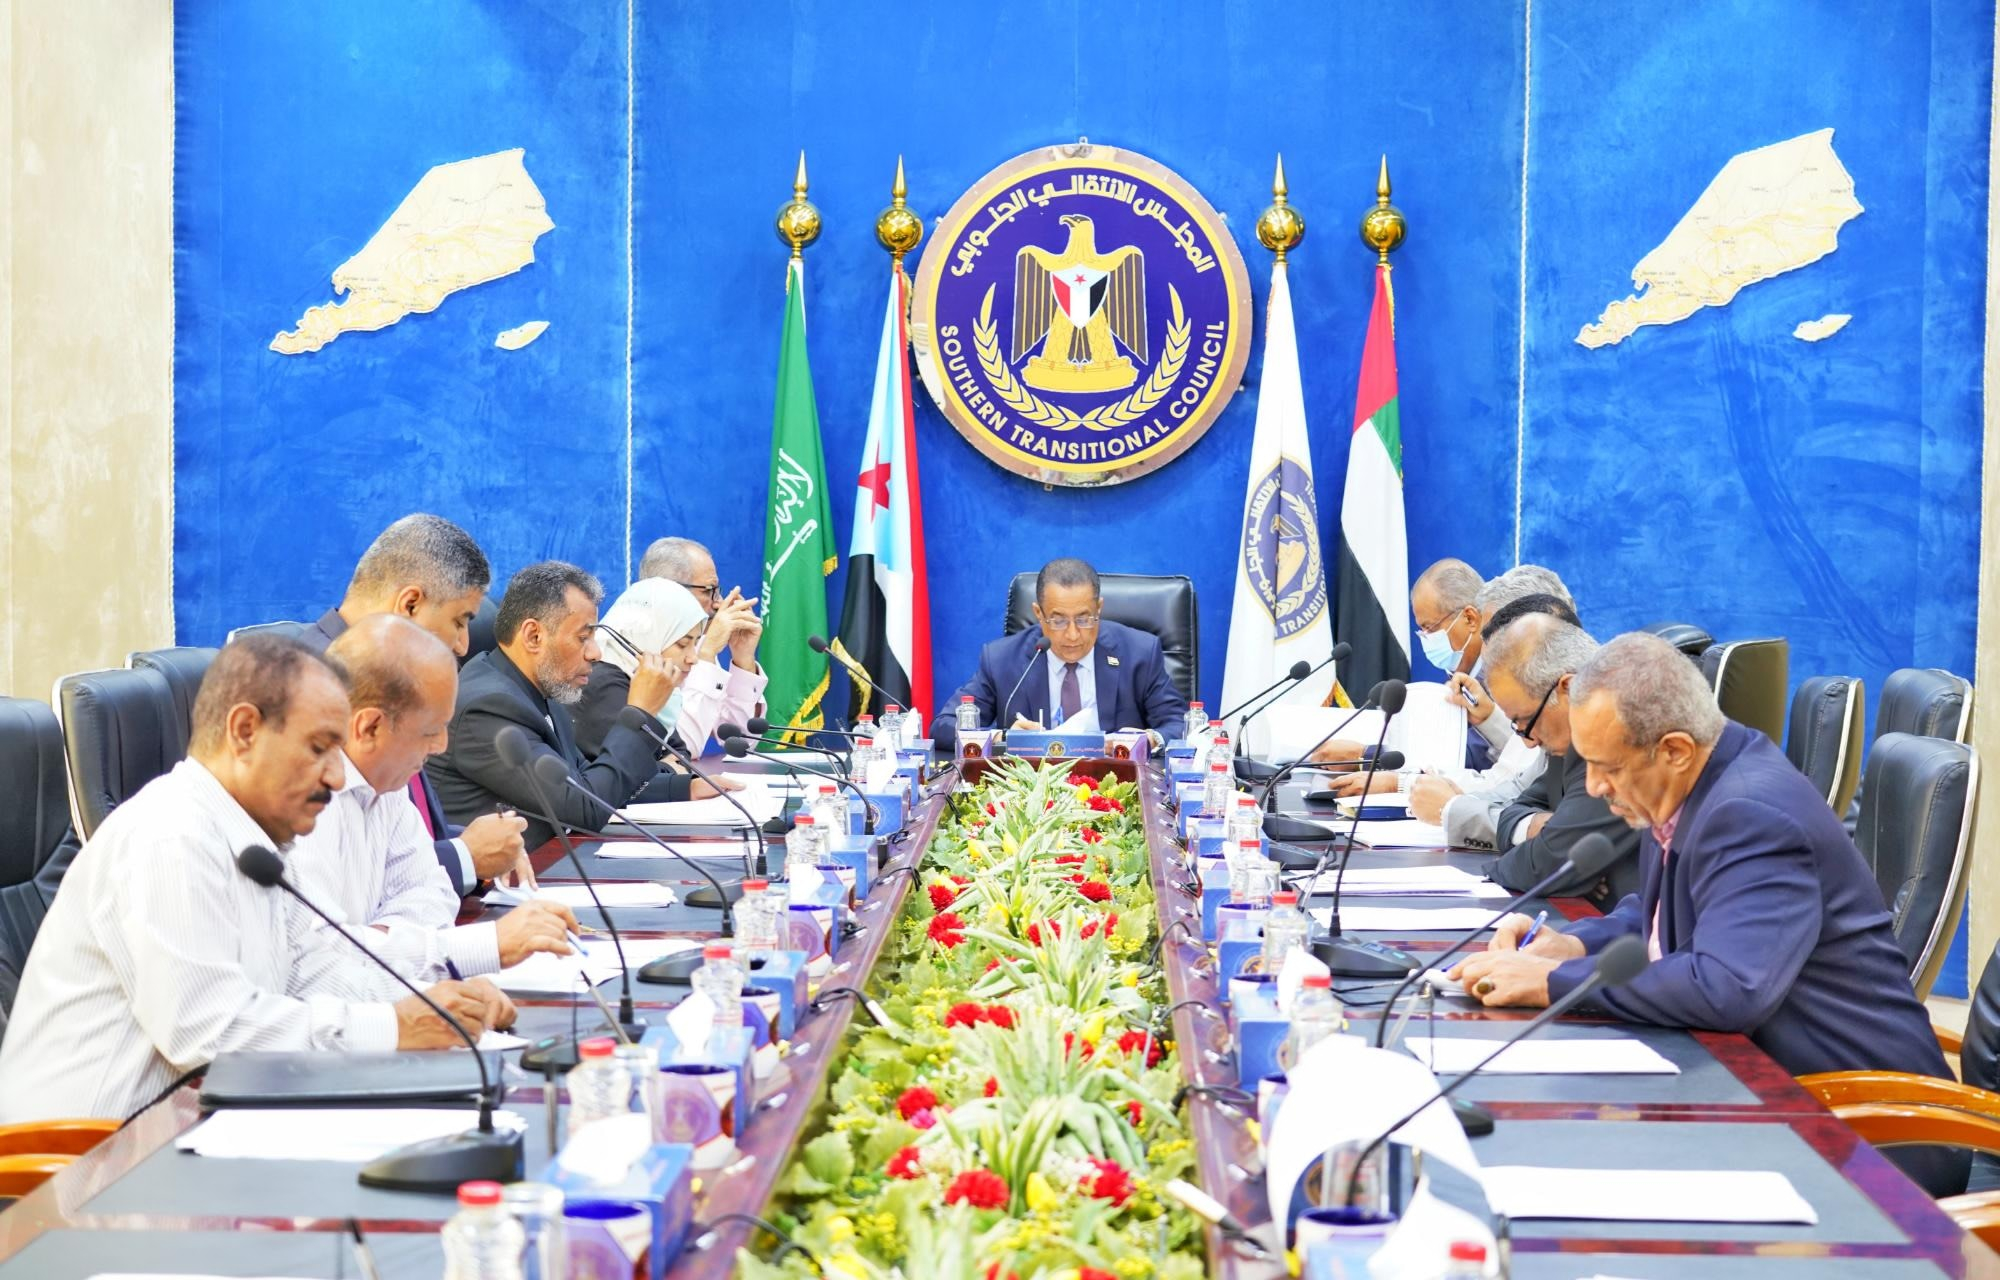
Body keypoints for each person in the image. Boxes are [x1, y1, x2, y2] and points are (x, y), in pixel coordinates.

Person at [1452, 632, 1962, 1190]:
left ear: (1674, 749)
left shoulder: (1752, 813)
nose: (1594, 787)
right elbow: (1659, 914)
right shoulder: (1690, 782)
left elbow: (1726, 986)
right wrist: (1572, 945)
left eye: (1607, 767)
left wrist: (1552, 982)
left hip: (1869, 1134)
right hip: (1773, 1091)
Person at [0, 636, 515, 1123]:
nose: (337, 777)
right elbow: (209, 1032)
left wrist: (435, 1001)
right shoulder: (170, 835)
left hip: (180, 1133)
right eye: (319, 748)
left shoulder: (258, 844)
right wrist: (394, 1027)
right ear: (245, 731)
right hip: (77, 1162)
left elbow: (317, 969)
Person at [289, 616, 581, 982]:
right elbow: (327, 963)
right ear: (370, 727)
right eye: (431, 730)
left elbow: (433, 891)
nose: (441, 746)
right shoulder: (301, 802)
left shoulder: (388, 782)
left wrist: (383, 940)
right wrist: (484, 945)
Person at [278, 513, 528, 897]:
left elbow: (396, 831)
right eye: (460, 621)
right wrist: (465, 856)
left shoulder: (392, 677)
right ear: (410, 604)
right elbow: (343, 876)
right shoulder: (312, 692)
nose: (464, 645)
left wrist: (481, 843)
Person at [425, 561, 681, 851]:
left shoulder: (539, 689)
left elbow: (588, 780)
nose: (596, 653)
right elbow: (585, 807)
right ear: (534, 636)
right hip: (506, 877)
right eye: (583, 637)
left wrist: (686, 788)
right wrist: (640, 713)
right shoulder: (487, 707)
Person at [1469, 613, 1640, 907]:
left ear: (1568, 689)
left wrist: (1554, 849)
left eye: (1525, 720)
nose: (1528, 741)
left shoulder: (1619, 742)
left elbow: (1544, 865)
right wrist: (1538, 829)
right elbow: (1513, 811)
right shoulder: (1566, 744)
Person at [929, 558, 1187, 751]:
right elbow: (943, 726)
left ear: (1099, 609)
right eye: (1058, 620)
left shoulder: (1139, 652)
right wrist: (1003, 737)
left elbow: (1179, 725)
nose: (1073, 635)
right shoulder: (1001, 659)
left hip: (1118, 786)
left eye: (1084, 619)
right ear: (1038, 614)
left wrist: (1149, 739)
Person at [1406, 592, 1582, 846]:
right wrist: (1458, 806)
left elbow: (1562, 834)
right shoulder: (1555, 731)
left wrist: (1451, 808)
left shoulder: (1604, 736)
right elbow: (1519, 793)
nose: (1529, 742)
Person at [573, 578, 736, 798]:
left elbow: (681, 752)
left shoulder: (648, 683)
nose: (693, 658)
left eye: (695, 643)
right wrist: (669, 769)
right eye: (682, 644)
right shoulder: (603, 684)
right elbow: (620, 778)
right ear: (645, 638)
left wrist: (667, 768)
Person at [638, 536, 767, 750]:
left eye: (717, 591)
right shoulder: (633, 647)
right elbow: (679, 747)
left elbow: (739, 740)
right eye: (709, 590)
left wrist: (743, 658)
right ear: (669, 590)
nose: (718, 603)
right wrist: (706, 654)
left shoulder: (698, 643)